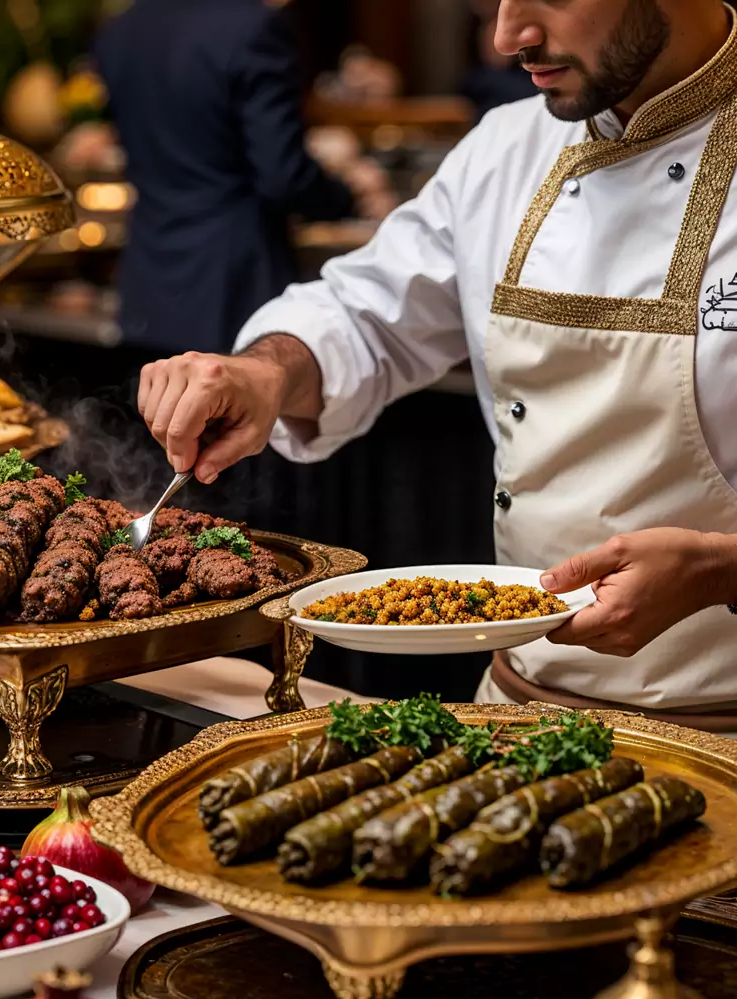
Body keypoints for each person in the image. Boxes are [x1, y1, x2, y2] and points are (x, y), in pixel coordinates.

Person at [136, 0, 737, 730]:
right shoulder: (505, 147)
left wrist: (718, 571)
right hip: (516, 716)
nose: (508, 36)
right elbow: (366, 311)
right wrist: (266, 373)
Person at [94, 0, 375, 355]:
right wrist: (347, 197)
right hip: (232, 285)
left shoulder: (121, 29)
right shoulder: (252, 28)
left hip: (147, 286)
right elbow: (282, 176)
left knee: (148, 406)